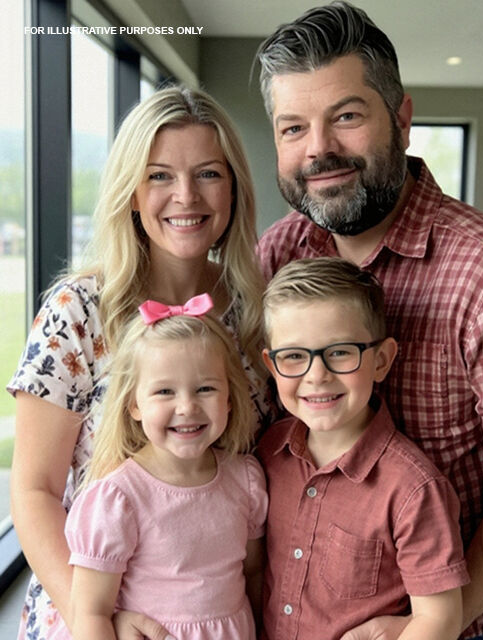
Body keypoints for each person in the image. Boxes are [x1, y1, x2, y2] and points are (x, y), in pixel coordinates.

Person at [255, 2, 483, 639]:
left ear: (401, 119)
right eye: (293, 128)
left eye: (346, 116)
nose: (319, 149)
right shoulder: (278, 254)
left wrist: (429, 624)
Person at [8, 85, 270, 640]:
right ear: (130, 192)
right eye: (159, 176)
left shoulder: (257, 313)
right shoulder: (78, 311)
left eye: (208, 173)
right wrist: (95, 617)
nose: (185, 196)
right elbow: (34, 492)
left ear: (234, 188)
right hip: (90, 613)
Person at [257, 257, 469, 640]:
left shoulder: (413, 489)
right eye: (294, 356)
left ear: (382, 360)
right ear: (272, 366)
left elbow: (439, 620)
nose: (316, 375)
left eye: (340, 352)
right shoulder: (267, 452)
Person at [63, 296, 267, 640]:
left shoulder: (246, 479)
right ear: (134, 405)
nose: (186, 406)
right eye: (164, 391)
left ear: (229, 399)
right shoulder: (117, 499)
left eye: (205, 388)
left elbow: (255, 574)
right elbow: (90, 613)